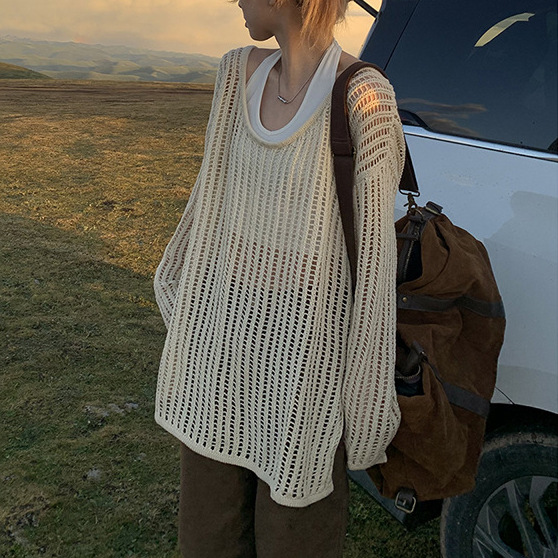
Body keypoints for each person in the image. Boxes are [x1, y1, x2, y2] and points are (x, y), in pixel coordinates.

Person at [153, 0, 405, 556]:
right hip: (216, 366)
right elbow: (206, 213)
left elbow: (374, 276)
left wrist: (363, 406)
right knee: (208, 539)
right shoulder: (235, 75)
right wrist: (189, 316)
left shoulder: (365, 99)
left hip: (305, 381)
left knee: (293, 540)